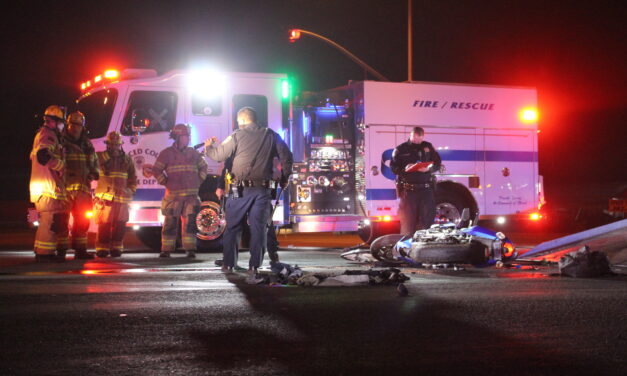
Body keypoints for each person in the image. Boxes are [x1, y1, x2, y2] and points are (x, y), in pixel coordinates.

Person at [205, 107, 292, 280]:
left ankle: (229, 264)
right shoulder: (271, 134)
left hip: (240, 191)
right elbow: (287, 157)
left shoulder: (236, 135)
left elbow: (218, 156)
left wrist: (209, 147)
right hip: (263, 190)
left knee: (233, 227)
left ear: (242, 120)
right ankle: (254, 267)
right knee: (259, 229)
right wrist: (284, 177)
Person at [152, 124, 208, 258]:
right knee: (170, 223)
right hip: (173, 197)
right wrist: (165, 182)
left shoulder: (193, 153)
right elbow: (156, 170)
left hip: (191, 197)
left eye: (188, 136)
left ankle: (190, 249)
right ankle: (166, 249)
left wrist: (198, 181)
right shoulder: (166, 153)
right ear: (177, 137)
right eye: (185, 136)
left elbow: (203, 167)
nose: (188, 139)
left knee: (190, 223)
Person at [215, 156, 281, 265]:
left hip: (249, 188)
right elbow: (228, 166)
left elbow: (227, 162)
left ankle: (272, 252)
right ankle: (272, 255)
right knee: (261, 223)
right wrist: (221, 185)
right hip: (250, 188)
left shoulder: (241, 140)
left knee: (241, 225)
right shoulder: (267, 139)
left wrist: (220, 186)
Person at [29, 105, 70, 262]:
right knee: (50, 221)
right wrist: (60, 166)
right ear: (53, 122)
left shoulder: (44, 134)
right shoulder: (48, 135)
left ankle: (43, 251)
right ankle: (44, 254)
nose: (63, 126)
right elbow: (43, 155)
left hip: (45, 187)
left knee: (48, 221)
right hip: (47, 188)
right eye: (61, 123)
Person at [390, 126, 441, 236]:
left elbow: (437, 163)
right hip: (409, 191)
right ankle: (406, 249)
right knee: (408, 224)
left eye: (420, 138)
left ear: (423, 137)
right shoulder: (401, 149)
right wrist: (405, 170)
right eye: (415, 138)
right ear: (411, 135)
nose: (417, 141)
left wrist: (428, 169)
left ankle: (425, 248)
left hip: (426, 190)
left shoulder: (428, 147)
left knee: (427, 222)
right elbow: (393, 167)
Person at [94, 131, 137, 258]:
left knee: (120, 225)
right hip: (105, 199)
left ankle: (116, 248)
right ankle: (102, 249)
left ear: (121, 145)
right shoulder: (100, 157)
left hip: (122, 199)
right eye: (112, 145)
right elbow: (92, 167)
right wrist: (108, 156)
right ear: (108, 145)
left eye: (117, 145)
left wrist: (130, 190)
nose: (115, 148)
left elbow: (133, 179)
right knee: (104, 224)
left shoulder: (127, 160)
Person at [63, 111, 99, 259]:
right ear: (68, 125)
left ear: (82, 127)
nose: (75, 128)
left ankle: (80, 250)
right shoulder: (61, 141)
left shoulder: (87, 144)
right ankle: (61, 251)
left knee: (83, 221)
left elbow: (94, 161)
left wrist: (94, 173)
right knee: (62, 221)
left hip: (83, 188)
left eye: (78, 125)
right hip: (65, 188)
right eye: (72, 124)